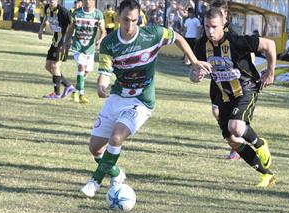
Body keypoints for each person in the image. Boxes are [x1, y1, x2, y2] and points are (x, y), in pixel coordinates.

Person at [80, 0, 211, 197]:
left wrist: (193, 62)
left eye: (134, 20)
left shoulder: (152, 34)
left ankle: (95, 182)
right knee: (95, 148)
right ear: (118, 16)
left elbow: (178, 38)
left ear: (139, 18)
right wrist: (101, 84)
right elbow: (105, 71)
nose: (130, 26)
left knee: (116, 137)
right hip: (118, 97)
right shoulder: (109, 43)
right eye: (125, 20)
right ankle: (116, 174)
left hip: (141, 102)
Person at [191, 8, 277, 187]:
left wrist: (270, 72)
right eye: (207, 27)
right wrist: (196, 75)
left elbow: (270, 45)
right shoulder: (201, 45)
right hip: (223, 96)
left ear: (224, 24)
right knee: (232, 140)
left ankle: (260, 144)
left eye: (214, 26)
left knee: (236, 126)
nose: (210, 31)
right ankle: (266, 175)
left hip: (246, 88)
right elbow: (192, 73)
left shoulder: (236, 41)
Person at [209, 0, 240, 160]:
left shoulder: (233, 33)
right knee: (217, 112)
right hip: (217, 81)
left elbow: (249, 50)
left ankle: (237, 146)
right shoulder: (209, 31)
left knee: (232, 119)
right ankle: (236, 144)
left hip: (234, 81)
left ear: (225, 15)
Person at [62, 0, 106, 104]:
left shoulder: (98, 14)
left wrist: (100, 39)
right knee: (81, 66)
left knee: (86, 71)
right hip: (78, 46)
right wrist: (66, 42)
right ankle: (80, 94)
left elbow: (103, 31)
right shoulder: (76, 13)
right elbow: (71, 29)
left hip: (90, 49)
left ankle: (76, 91)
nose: (87, 2)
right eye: (85, 0)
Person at [38, 0, 75, 99]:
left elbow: (72, 25)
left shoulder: (64, 11)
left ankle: (57, 93)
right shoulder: (47, 8)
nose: (51, 1)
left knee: (55, 66)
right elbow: (46, 17)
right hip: (55, 40)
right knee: (48, 66)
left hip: (63, 42)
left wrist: (66, 41)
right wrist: (41, 29)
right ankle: (68, 85)